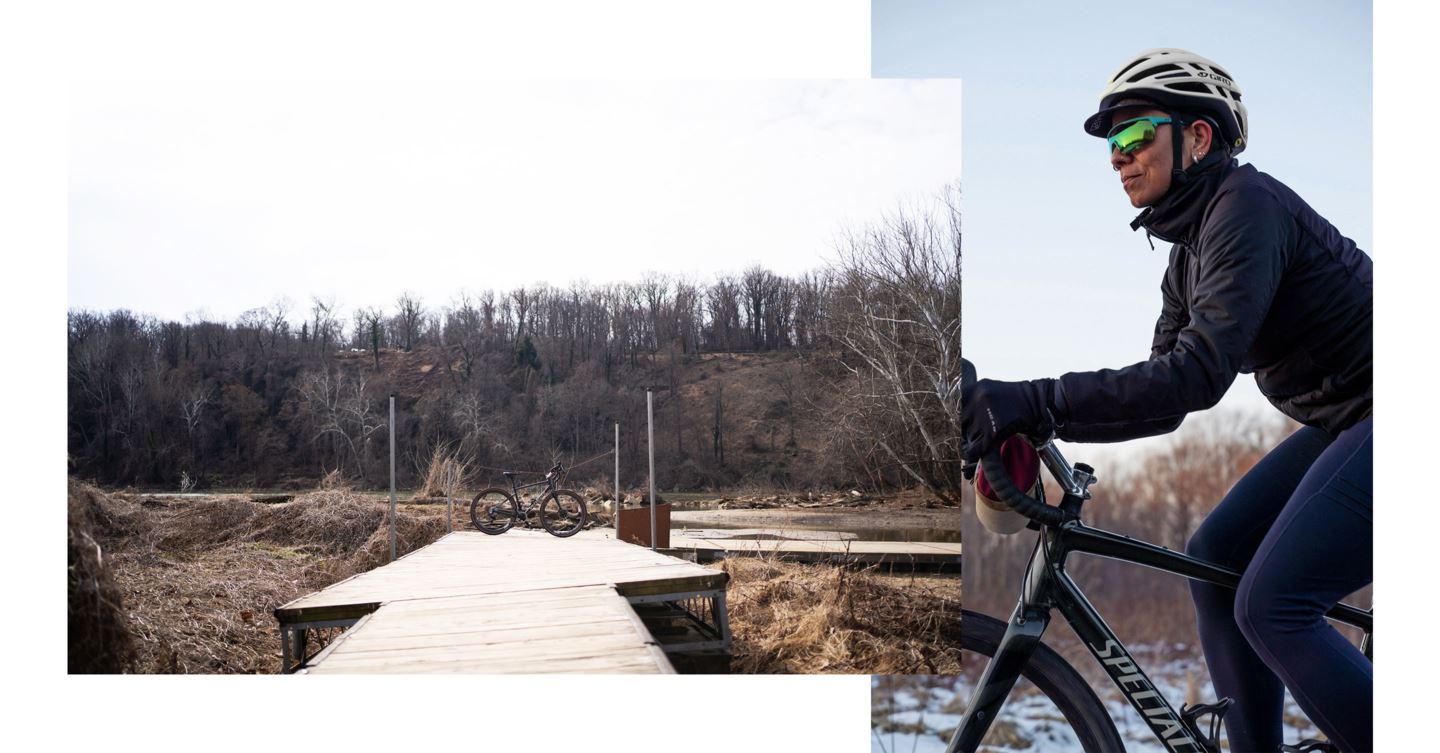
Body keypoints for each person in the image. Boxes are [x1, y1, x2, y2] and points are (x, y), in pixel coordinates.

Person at [961, 48, 1372, 753]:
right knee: (1215, 555)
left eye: (1132, 136)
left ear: (1199, 137)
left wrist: (1035, 398)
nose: (1118, 157)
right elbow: (1161, 396)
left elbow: (1196, 374)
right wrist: (1034, 417)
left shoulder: (1246, 207)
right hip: (1351, 421)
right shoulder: (1187, 258)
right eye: (1110, 147)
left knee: (1273, 602)